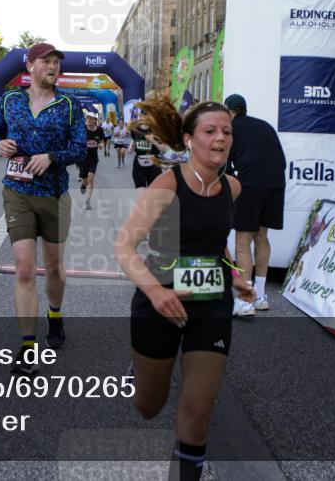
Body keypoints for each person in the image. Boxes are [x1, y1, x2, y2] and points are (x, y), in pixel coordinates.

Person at [114, 97, 253, 481]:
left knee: (198, 413)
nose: (221, 138)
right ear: (189, 139)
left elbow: (215, 242)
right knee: (148, 406)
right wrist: (156, 293)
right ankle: (139, 370)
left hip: (211, 305)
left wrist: (233, 273)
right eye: (210, 131)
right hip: (158, 302)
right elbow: (124, 246)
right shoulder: (166, 185)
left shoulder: (232, 187)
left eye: (226, 131)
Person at [0, 42, 86, 375]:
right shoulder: (10, 100)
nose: (54, 66)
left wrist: (52, 157)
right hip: (17, 192)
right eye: (46, 61)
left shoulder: (69, 105)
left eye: (57, 62)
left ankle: (55, 314)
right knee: (25, 268)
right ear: (30, 67)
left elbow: (80, 149)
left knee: (54, 267)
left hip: (54, 195)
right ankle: (27, 347)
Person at [223, 94, 286, 316]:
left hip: (250, 184)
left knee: (242, 241)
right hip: (276, 184)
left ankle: (245, 299)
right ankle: (260, 296)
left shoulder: (230, 129)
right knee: (261, 236)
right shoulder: (264, 126)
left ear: (229, 111)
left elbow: (225, 167)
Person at [79, 113, 105, 211]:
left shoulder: (99, 130)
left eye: (91, 118)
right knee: (85, 180)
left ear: (95, 120)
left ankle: (88, 201)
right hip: (82, 159)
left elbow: (102, 140)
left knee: (90, 178)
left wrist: (101, 144)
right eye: (87, 118)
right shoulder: (82, 129)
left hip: (93, 159)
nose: (88, 120)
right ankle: (83, 185)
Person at [130, 122, 163, 188]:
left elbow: (163, 149)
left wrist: (153, 141)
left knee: (152, 191)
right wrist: (131, 147)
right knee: (141, 191)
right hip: (139, 164)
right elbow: (134, 139)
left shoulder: (156, 129)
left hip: (154, 165)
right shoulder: (135, 129)